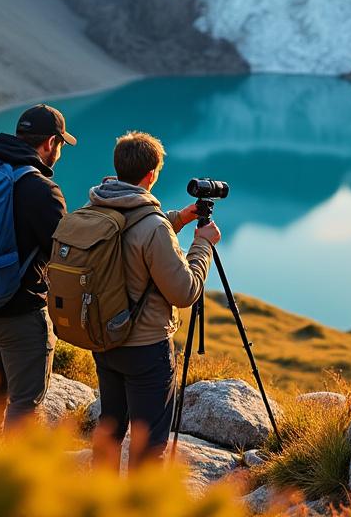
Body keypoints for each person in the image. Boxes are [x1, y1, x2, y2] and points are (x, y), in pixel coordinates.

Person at [88, 131, 218, 464]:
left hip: (105, 339)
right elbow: (185, 291)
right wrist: (202, 243)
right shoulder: (153, 227)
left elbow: (131, 236)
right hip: (145, 349)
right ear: (151, 175)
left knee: (111, 427)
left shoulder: (96, 207)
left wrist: (178, 219)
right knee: (149, 445)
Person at [0, 104, 74, 429]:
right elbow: (64, 254)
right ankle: (11, 478)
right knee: (25, 404)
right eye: (59, 145)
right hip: (20, 314)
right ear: (50, 144)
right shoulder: (42, 190)